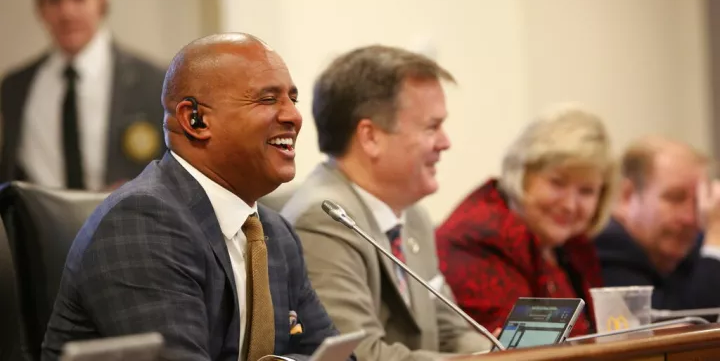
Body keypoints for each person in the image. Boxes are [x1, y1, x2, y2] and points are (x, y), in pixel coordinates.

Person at [42, 33, 345, 361]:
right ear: (195, 120)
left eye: (293, 99)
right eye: (268, 99)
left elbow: (337, 357)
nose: (294, 117)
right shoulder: (142, 222)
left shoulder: (276, 234)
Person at [281, 45, 492, 361]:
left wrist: (504, 354)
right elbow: (359, 355)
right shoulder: (323, 218)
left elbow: (450, 332)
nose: (445, 142)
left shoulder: (412, 216)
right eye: (432, 127)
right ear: (370, 137)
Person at [435, 105, 617, 336]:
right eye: (557, 183)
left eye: (586, 191)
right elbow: (521, 350)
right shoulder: (481, 239)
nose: (570, 205)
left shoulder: (573, 244)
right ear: (521, 174)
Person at [0, 0, 165, 191]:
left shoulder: (155, 81)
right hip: (40, 223)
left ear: (101, 1)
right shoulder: (16, 87)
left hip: (128, 221)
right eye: (54, 0)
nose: (67, 12)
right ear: (40, 9)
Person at [595, 136, 720, 314]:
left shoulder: (689, 247)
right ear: (627, 195)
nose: (690, 218)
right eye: (675, 198)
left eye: (698, 202)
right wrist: (716, 237)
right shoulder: (609, 247)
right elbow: (684, 329)